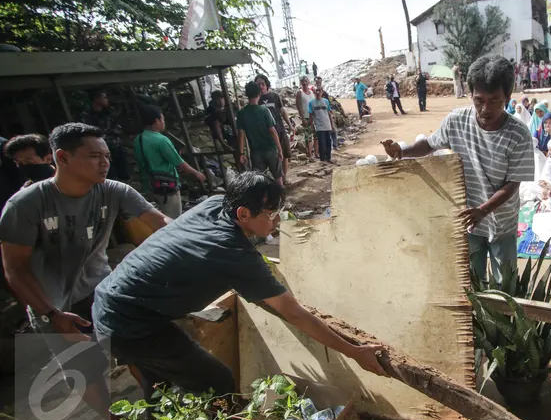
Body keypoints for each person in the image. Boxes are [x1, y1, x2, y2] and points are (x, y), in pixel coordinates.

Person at [92, 172, 388, 402]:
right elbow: (293, 313)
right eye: (271, 214)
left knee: (160, 388)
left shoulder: (214, 203)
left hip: (112, 299)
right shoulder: (233, 253)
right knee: (217, 381)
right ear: (243, 214)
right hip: (132, 323)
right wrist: (353, 351)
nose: (275, 222)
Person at [0, 123, 170, 420]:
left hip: (102, 288)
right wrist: (50, 313)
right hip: (52, 302)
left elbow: (163, 224)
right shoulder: (24, 206)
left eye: (106, 155)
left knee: (137, 346)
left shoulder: (114, 191)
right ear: (62, 158)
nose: (105, 162)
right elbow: (15, 269)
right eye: (94, 156)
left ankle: (159, 413)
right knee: (84, 369)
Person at [380, 55, 535, 284]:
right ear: (470, 95)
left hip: (502, 222)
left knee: (505, 284)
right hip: (468, 221)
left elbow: (512, 184)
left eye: (494, 101)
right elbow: (430, 144)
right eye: (479, 100)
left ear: (508, 98)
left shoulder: (519, 134)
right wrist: (401, 151)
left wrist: (483, 210)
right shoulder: (456, 121)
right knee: (472, 281)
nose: (485, 108)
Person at [134, 105, 206, 219]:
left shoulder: (138, 139)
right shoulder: (161, 140)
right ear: (156, 121)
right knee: (173, 219)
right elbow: (180, 163)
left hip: (148, 185)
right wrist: (197, 173)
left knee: (157, 218)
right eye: (162, 119)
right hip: (166, 187)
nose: (164, 122)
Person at [237, 82, 284, 186]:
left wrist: (241, 153)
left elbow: (241, 134)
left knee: (259, 181)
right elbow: (273, 131)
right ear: (259, 93)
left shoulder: (241, 113)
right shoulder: (264, 110)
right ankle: (281, 199)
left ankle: (264, 201)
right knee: (278, 178)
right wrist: (280, 149)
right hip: (270, 149)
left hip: (255, 153)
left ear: (246, 94)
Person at [80, 89, 130, 181]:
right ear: (97, 99)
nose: (107, 100)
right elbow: (91, 134)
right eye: (104, 97)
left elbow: (118, 129)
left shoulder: (109, 113)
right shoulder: (87, 115)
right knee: (110, 176)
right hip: (100, 151)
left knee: (124, 174)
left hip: (116, 147)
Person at [255, 74, 294, 182]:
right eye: (258, 84)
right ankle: (276, 180)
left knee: (285, 155)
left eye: (263, 84)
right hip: (266, 134)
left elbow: (282, 111)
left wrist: (290, 126)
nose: (261, 86)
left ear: (267, 84)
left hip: (280, 130)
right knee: (273, 157)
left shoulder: (274, 96)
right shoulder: (256, 100)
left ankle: (284, 177)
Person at [308, 86, 336, 163]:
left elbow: (329, 113)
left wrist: (332, 125)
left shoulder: (326, 101)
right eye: (316, 91)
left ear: (322, 92)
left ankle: (328, 158)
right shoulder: (311, 103)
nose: (318, 92)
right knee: (322, 143)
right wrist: (311, 125)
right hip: (319, 126)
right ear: (314, 92)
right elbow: (311, 114)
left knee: (328, 142)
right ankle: (323, 159)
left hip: (327, 124)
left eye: (319, 91)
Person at [295, 76, 317, 158]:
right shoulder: (299, 93)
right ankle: (310, 153)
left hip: (314, 116)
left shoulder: (311, 92)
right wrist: (302, 117)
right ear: (301, 83)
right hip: (306, 117)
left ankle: (316, 152)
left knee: (316, 135)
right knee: (308, 136)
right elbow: (299, 105)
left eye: (305, 81)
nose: (304, 83)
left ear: (308, 82)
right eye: (302, 81)